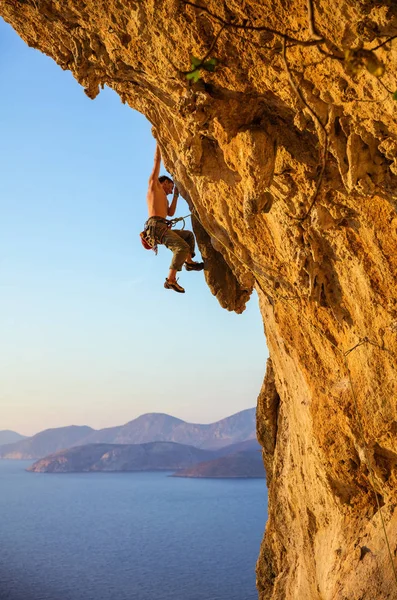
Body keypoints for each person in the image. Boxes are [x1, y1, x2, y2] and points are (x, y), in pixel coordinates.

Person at [145, 143, 204, 293]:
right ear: (164, 183)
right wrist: (158, 142)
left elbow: (170, 213)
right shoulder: (154, 187)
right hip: (156, 227)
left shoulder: (164, 198)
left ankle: (189, 263)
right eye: (171, 188)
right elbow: (156, 162)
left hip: (162, 226)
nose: (171, 191)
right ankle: (170, 280)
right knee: (181, 248)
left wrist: (177, 194)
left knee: (188, 236)